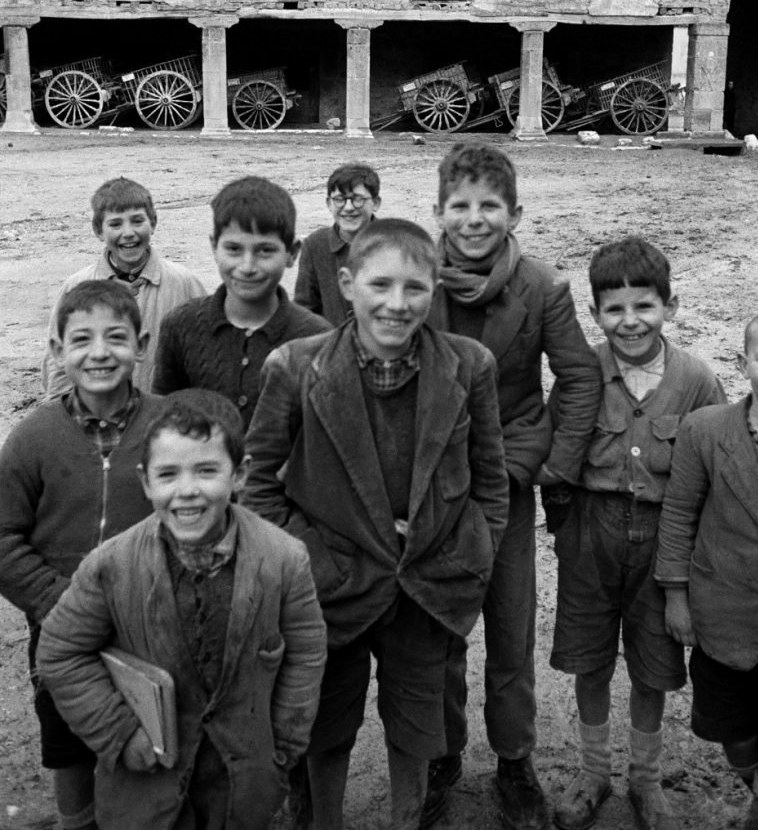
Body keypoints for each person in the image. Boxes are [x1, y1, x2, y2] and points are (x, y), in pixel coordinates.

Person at [244, 217, 509, 830]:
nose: (397, 304)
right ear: (346, 282)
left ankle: (407, 818)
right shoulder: (295, 367)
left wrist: (473, 546)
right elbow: (258, 485)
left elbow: (491, 479)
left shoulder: (469, 366)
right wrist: (307, 558)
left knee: (417, 725)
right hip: (328, 590)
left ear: (435, 289)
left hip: (427, 584)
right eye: (380, 285)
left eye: (415, 288)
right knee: (326, 722)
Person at [36, 391, 328, 830]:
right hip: (144, 788)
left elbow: (306, 653)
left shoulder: (285, 559)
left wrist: (284, 744)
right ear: (146, 481)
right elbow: (60, 653)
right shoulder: (110, 565)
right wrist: (120, 732)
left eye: (207, 470)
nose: (187, 490)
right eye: (168, 474)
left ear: (240, 475)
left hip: (243, 786)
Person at [423, 142, 603, 830]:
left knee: (510, 622)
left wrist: (545, 464)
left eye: (489, 206)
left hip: (507, 484)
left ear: (515, 211)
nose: (474, 220)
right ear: (439, 212)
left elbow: (578, 379)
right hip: (432, 489)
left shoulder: (542, 288)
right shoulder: (417, 282)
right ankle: (441, 755)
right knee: (438, 626)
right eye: (460, 207)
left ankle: (515, 760)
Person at [550, 236, 726, 830]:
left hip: (663, 537)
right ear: (595, 313)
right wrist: (569, 528)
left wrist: (687, 568)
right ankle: (594, 774)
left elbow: (713, 475)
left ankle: (646, 782)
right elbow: (557, 457)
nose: (630, 322)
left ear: (670, 307)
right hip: (589, 538)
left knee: (653, 664)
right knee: (590, 659)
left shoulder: (697, 382)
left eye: (645, 306)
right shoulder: (580, 374)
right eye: (614, 309)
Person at [0, 280, 162, 830]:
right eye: (81, 339)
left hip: (153, 624)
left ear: (141, 344)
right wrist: (59, 602)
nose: (99, 353)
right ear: (56, 351)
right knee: (68, 739)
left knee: (154, 735)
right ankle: (78, 821)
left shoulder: (169, 426)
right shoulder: (34, 437)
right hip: (62, 630)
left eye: (116, 337)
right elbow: (2, 535)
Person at [656, 308, 758, 830]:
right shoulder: (704, 430)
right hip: (725, 624)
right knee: (735, 737)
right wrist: (676, 595)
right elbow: (678, 514)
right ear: (743, 363)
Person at [152, 176, 330, 428]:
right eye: (234, 249)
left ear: (292, 253)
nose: (247, 267)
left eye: (264, 250)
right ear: (214, 248)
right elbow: (162, 421)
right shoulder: (180, 326)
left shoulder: (317, 338)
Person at [42, 177, 205, 397]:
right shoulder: (76, 287)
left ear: (153, 223)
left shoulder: (185, 284)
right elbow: (57, 368)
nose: (128, 233)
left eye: (137, 221)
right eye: (115, 224)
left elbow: (206, 359)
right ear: (98, 230)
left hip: (165, 419)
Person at [294, 161, 381, 324]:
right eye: (339, 199)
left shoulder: (395, 244)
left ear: (375, 203)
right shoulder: (315, 245)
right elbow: (304, 310)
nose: (348, 207)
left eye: (358, 199)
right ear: (329, 203)